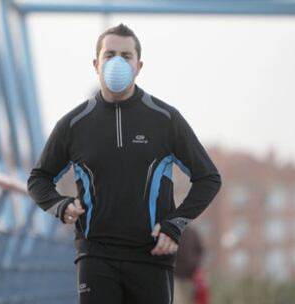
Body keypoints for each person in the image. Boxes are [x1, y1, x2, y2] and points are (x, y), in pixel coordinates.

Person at [27, 23, 221, 304]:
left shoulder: (165, 119)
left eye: (126, 55)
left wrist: (174, 225)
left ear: (139, 65)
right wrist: (60, 205)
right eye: (110, 54)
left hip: (152, 256)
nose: (117, 61)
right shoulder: (73, 124)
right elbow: (38, 179)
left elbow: (209, 178)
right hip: (95, 256)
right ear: (96, 63)